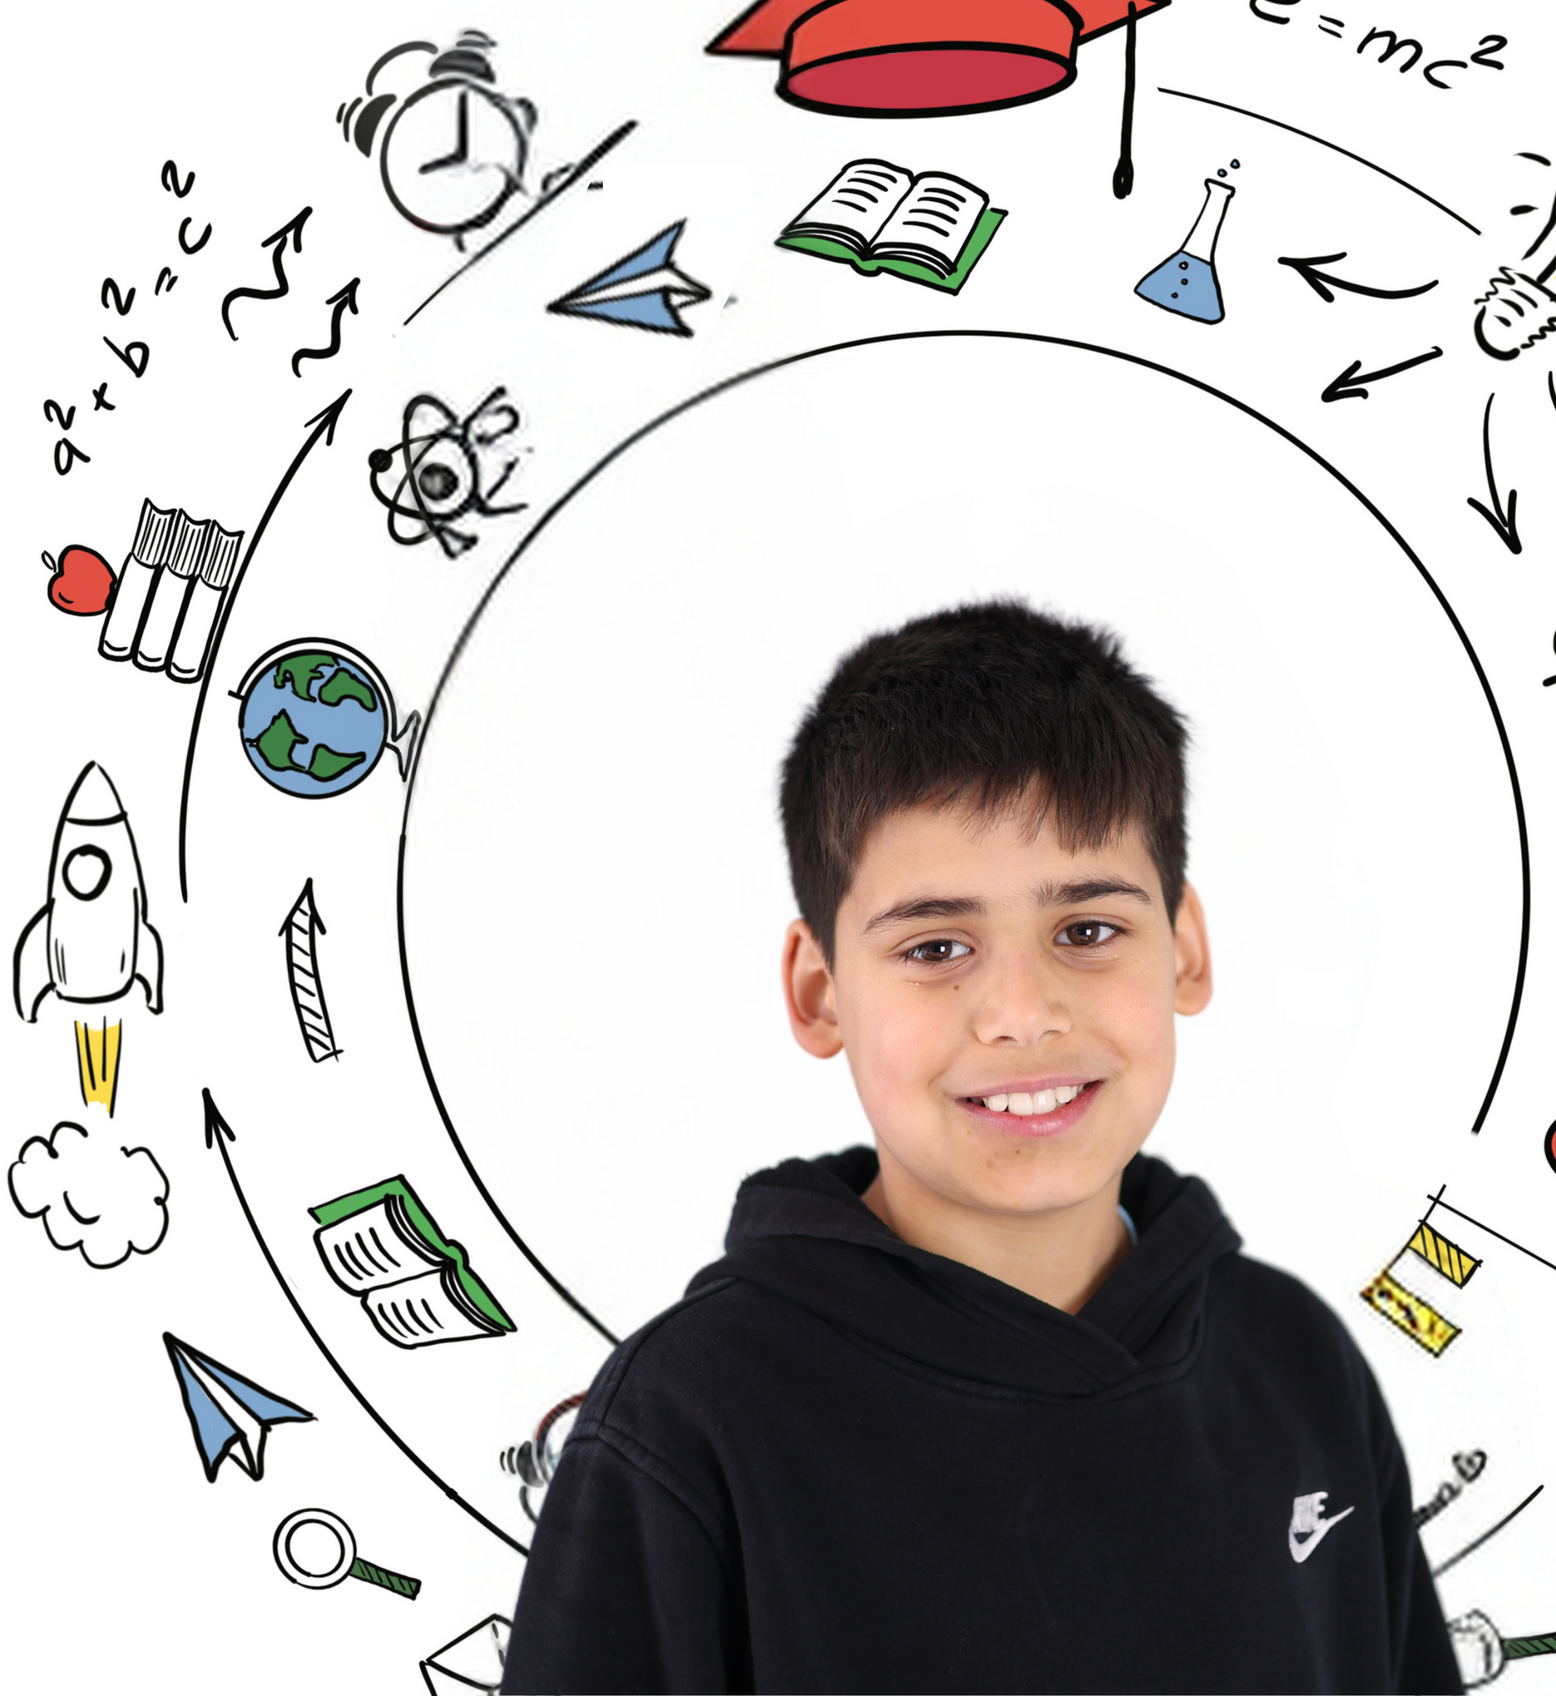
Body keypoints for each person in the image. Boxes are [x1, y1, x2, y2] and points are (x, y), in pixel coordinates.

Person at [502, 600, 1462, 1694]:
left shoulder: (1296, 1363)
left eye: (1087, 931)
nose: (1021, 1011)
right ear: (820, 995)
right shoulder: (689, 1425)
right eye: (938, 946)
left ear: (1185, 951)